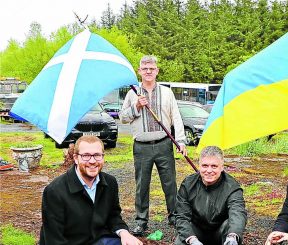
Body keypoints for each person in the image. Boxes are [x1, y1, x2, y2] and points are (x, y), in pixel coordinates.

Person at [120, 55, 187, 236]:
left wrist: (180, 141)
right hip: (141, 147)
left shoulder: (167, 92)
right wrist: (137, 106)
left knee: (170, 183)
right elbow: (123, 117)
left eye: (152, 68)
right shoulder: (132, 93)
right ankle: (141, 221)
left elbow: (176, 117)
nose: (148, 71)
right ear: (139, 71)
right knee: (142, 185)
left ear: (156, 71)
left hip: (164, 144)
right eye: (145, 68)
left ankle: (174, 216)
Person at [40, 136, 142, 245]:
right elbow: (54, 239)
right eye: (86, 156)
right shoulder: (55, 191)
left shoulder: (110, 182)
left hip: (100, 240)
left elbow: (113, 216)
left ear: (103, 157)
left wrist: (124, 233)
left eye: (97, 155)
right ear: (75, 158)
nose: (92, 161)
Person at [175, 146, 247, 245]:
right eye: (205, 166)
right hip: (196, 232)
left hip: (221, 232)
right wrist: (192, 240)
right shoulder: (188, 184)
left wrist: (233, 236)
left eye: (214, 166)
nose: (209, 170)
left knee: (230, 227)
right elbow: (181, 216)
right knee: (181, 240)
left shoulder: (232, 187)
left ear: (222, 167)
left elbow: (238, 213)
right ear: (199, 166)